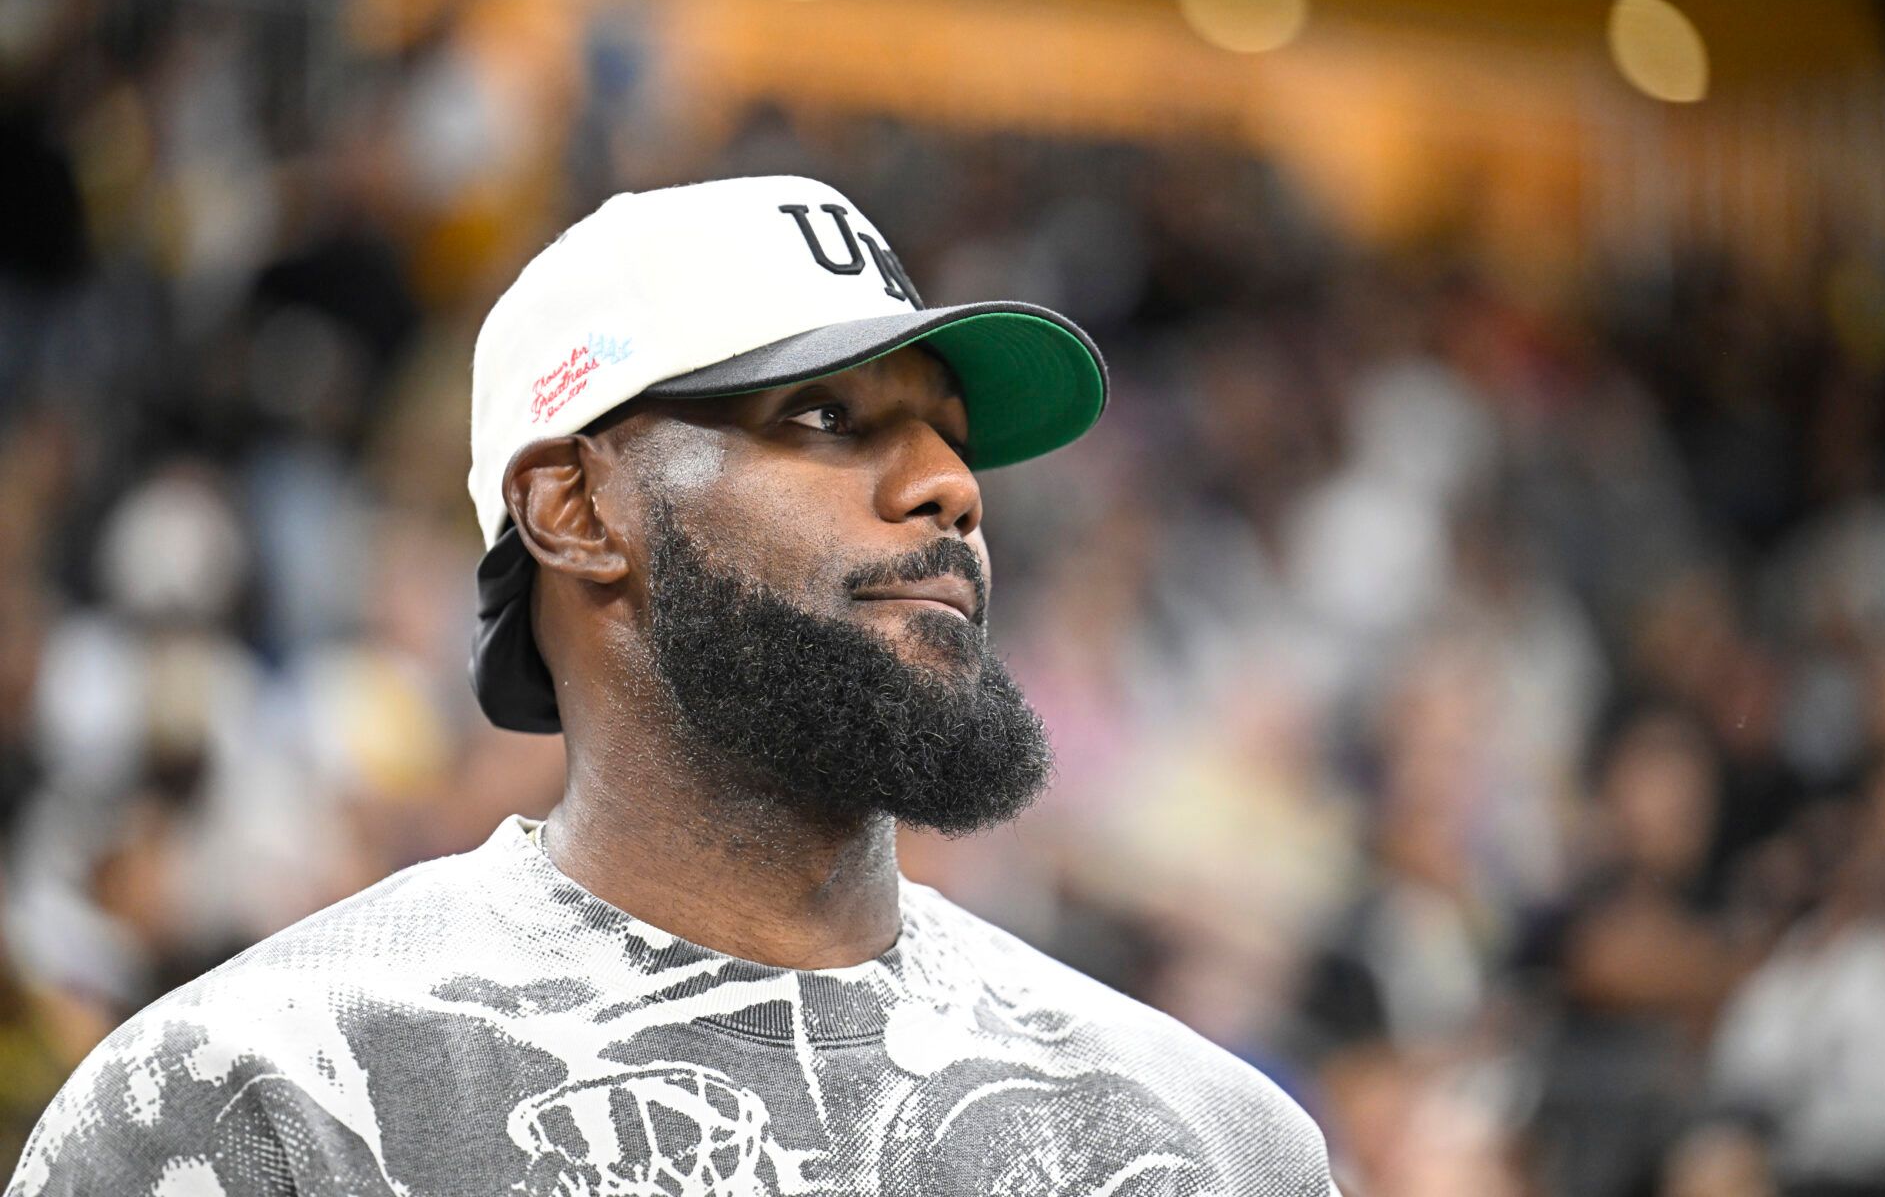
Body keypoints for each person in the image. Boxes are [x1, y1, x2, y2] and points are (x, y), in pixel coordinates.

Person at [7, 176, 1336, 1195]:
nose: (952, 487)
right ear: (576, 509)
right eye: (825, 416)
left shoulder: (1204, 1146)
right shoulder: (260, 1105)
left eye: (951, 434)